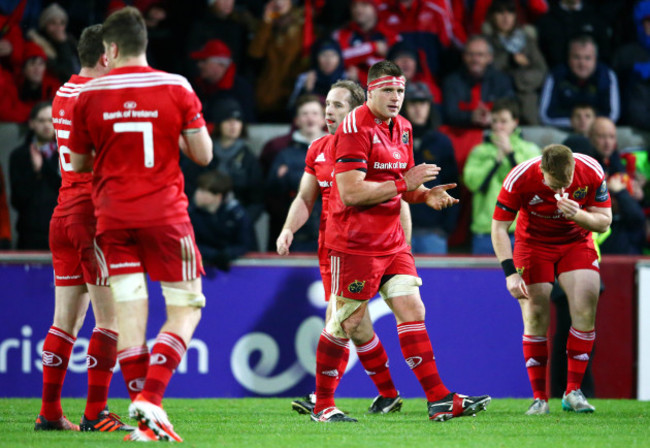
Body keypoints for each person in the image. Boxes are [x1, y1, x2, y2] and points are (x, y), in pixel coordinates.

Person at [311, 60, 491, 422]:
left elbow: (402, 185)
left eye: (401, 91)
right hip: (354, 244)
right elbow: (349, 193)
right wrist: (404, 185)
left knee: (413, 311)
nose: (396, 98)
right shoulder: (352, 127)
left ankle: (439, 399)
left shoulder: (404, 128)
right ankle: (323, 406)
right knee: (345, 320)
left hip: (392, 243)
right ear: (371, 90)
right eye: (388, 90)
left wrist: (425, 195)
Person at [68, 7, 213, 442]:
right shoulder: (176, 86)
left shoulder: (88, 96)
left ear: (109, 49)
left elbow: (77, 163)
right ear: (143, 44)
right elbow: (203, 155)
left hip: (112, 220)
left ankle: (145, 425)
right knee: (187, 306)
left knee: (130, 314)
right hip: (165, 216)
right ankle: (151, 398)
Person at [277, 80, 405, 416]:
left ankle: (323, 399)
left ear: (356, 112)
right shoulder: (317, 148)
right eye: (327, 105)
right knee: (354, 324)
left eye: (338, 105)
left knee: (340, 319)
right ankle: (388, 394)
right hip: (332, 248)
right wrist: (289, 229)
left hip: (367, 247)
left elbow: (398, 198)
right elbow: (306, 198)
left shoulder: (372, 144)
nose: (329, 112)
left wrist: (401, 247)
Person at [33, 24, 132, 433]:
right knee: (110, 322)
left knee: (65, 323)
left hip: (64, 212)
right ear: (107, 55)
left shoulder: (62, 93)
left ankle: (51, 413)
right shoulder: (100, 98)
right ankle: (95, 413)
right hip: (94, 215)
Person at [491, 144, 612, 414]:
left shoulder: (590, 170)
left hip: (575, 243)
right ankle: (540, 399)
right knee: (535, 314)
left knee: (585, 305)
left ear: (573, 169)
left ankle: (573, 392)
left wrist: (577, 214)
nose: (561, 190)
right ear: (542, 170)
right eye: (555, 184)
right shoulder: (519, 177)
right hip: (533, 245)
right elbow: (499, 227)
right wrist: (510, 273)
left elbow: (604, 221)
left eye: (566, 183)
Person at [464, 98, 540, 255]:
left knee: (524, 280)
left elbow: (536, 184)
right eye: (495, 121)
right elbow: (472, 183)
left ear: (515, 122)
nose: (498, 126)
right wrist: (495, 160)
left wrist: (511, 154)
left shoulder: (530, 151)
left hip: (523, 232)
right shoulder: (480, 151)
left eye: (504, 121)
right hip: (486, 231)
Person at [401, 82, 458, 254]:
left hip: (433, 232)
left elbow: (454, 187)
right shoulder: (391, 140)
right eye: (413, 103)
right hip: (396, 231)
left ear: (430, 106)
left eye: (423, 103)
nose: (418, 109)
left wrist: (445, 228)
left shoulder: (442, 142)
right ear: (404, 107)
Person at [266, 95, 327, 251]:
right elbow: (272, 189)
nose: (310, 118)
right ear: (297, 120)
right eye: (305, 114)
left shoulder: (335, 148)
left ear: (324, 119)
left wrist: (291, 176)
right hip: (297, 233)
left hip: (331, 232)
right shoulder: (284, 153)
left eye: (314, 113)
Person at [484, 0, 547, 125]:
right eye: (500, 12)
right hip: (497, 96)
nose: (505, 17)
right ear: (492, 16)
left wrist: (518, 80)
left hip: (526, 98)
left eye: (510, 12)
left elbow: (541, 71)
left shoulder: (527, 40)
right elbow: (484, 70)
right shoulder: (485, 41)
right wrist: (509, 60)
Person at [9, 101, 60, 249]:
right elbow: (16, 200)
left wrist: (43, 167)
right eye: (41, 120)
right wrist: (34, 172)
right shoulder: (19, 156)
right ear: (31, 123)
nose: (47, 125)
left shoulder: (67, 153)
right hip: (30, 235)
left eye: (51, 120)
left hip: (61, 233)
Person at [539, 35, 619, 128]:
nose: (582, 63)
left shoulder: (607, 76)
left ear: (595, 59)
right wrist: (577, 123)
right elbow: (546, 116)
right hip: (562, 130)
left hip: (597, 130)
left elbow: (611, 115)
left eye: (587, 58)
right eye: (576, 57)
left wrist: (588, 124)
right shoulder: (556, 75)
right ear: (568, 58)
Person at [442, 35, 515, 129]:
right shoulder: (452, 81)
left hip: (495, 132)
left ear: (489, 58)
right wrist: (471, 117)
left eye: (480, 55)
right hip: (461, 135)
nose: (475, 59)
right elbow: (449, 114)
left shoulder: (502, 80)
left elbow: (511, 110)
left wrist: (493, 117)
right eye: (470, 54)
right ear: (463, 57)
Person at [189, 170, 253, 271]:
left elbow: (245, 244)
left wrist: (227, 254)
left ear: (218, 196)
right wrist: (213, 255)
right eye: (198, 189)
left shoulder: (236, 215)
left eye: (203, 191)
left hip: (234, 268)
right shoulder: (191, 214)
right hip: (202, 268)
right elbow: (189, 244)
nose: (197, 194)